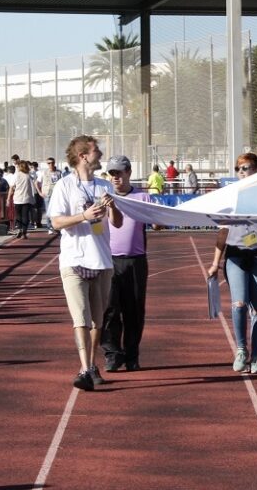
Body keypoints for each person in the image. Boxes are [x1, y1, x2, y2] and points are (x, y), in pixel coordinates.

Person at [47, 135, 123, 391]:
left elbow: (118, 222)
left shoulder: (104, 186)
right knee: (80, 317)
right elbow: (56, 222)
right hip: (73, 260)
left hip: (101, 260)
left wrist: (112, 207)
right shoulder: (64, 186)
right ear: (83, 156)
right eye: (96, 151)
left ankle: (90, 365)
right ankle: (84, 368)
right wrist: (84, 216)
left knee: (97, 321)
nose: (100, 154)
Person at [205, 153, 257, 374]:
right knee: (239, 304)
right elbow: (222, 232)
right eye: (238, 169)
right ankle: (241, 349)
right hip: (235, 255)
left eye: (246, 168)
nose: (241, 172)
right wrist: (215, 263)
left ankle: (256, 357)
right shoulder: (229, 196)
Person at [101, 155, 150, 372]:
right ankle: (112, 354)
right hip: (108, 261)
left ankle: (132, 355)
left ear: (128, 172)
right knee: (109, 310)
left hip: (135, 262)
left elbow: (157, 222)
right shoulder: (104, 196)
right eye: (111, 174)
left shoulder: (142, 197)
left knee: (134, 311)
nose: (115, 177)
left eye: (119, 173)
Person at [9, 159, 36, 239]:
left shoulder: (16, 175)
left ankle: (19, 228)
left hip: (18, 198)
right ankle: (24, 231)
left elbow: (11, 186)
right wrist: (33, 198)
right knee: (25, 215)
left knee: (18, 215)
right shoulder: (28, 176)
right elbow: (32, 187)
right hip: (27, 198)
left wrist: (8, 198)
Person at [40, 157, 63, 234]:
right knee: (48, 210)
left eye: (52, 163)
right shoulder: (44, 172)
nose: (51, 164)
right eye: (49, 163)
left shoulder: (59, 172)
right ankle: (49, 226)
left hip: (57, 194)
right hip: (47, 194)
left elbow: (63, 182)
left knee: (57, 210)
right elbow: (36, 182)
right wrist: (40, 192)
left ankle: (57, 225)